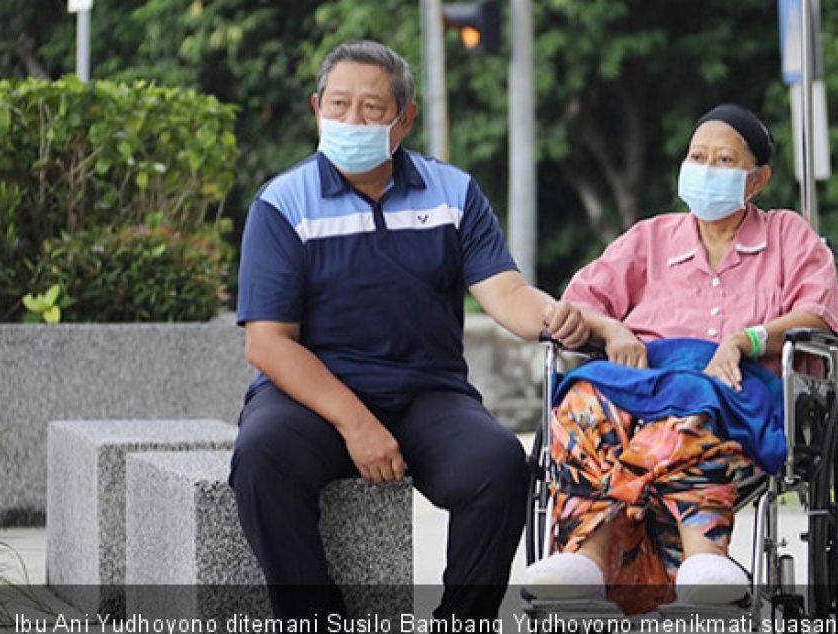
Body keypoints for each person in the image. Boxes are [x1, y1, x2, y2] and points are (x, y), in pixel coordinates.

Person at [230, 40, 590, 622]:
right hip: (314, 399)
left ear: (405, 119)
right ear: (315, 107)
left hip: (427, 392)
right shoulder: (282, 203)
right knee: (260, 457)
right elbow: (268, 342)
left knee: (498, 466)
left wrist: (558, 318)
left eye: (372, 108)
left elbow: (507, 294)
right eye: (339, 104)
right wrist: (357, 423)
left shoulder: (454, 194)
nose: (352, 120)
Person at [523, 104, 838, 613]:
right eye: (698, 157)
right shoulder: (649, 238)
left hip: (739, 392)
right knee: (584, 394)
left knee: (694, 401)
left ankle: (704, 554)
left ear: (758, 179)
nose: (707, 168)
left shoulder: (788, 236)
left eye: (724, 160)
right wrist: (613, 330)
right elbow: (581, 301)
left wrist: (747, 340)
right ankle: (585, 557)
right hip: (641, 382)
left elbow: (818, 313)